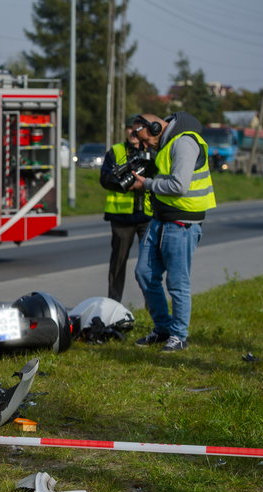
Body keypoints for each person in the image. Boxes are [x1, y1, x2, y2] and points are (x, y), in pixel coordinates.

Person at [129, 112, 216, 352]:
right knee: (145, 273)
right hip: (161, 219)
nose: (145, 146)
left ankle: (179, 336)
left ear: (156, 128)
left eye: (146, 140)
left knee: (177, 283)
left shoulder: (184, 143)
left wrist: (146, 183)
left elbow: (179, 185)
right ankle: (163, 328)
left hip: (182, 222)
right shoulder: (167, 143)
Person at [99, 115, 153, 302]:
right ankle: (114, 306)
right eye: (129, 128)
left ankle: (153, 308)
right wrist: (126, 184)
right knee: (118, 264)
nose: (132, 132)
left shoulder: (153, 151)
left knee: (149, 266)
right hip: (121, 218)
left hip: (147, 217)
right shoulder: (116, 151)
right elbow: (104, 179)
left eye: (136, 129)